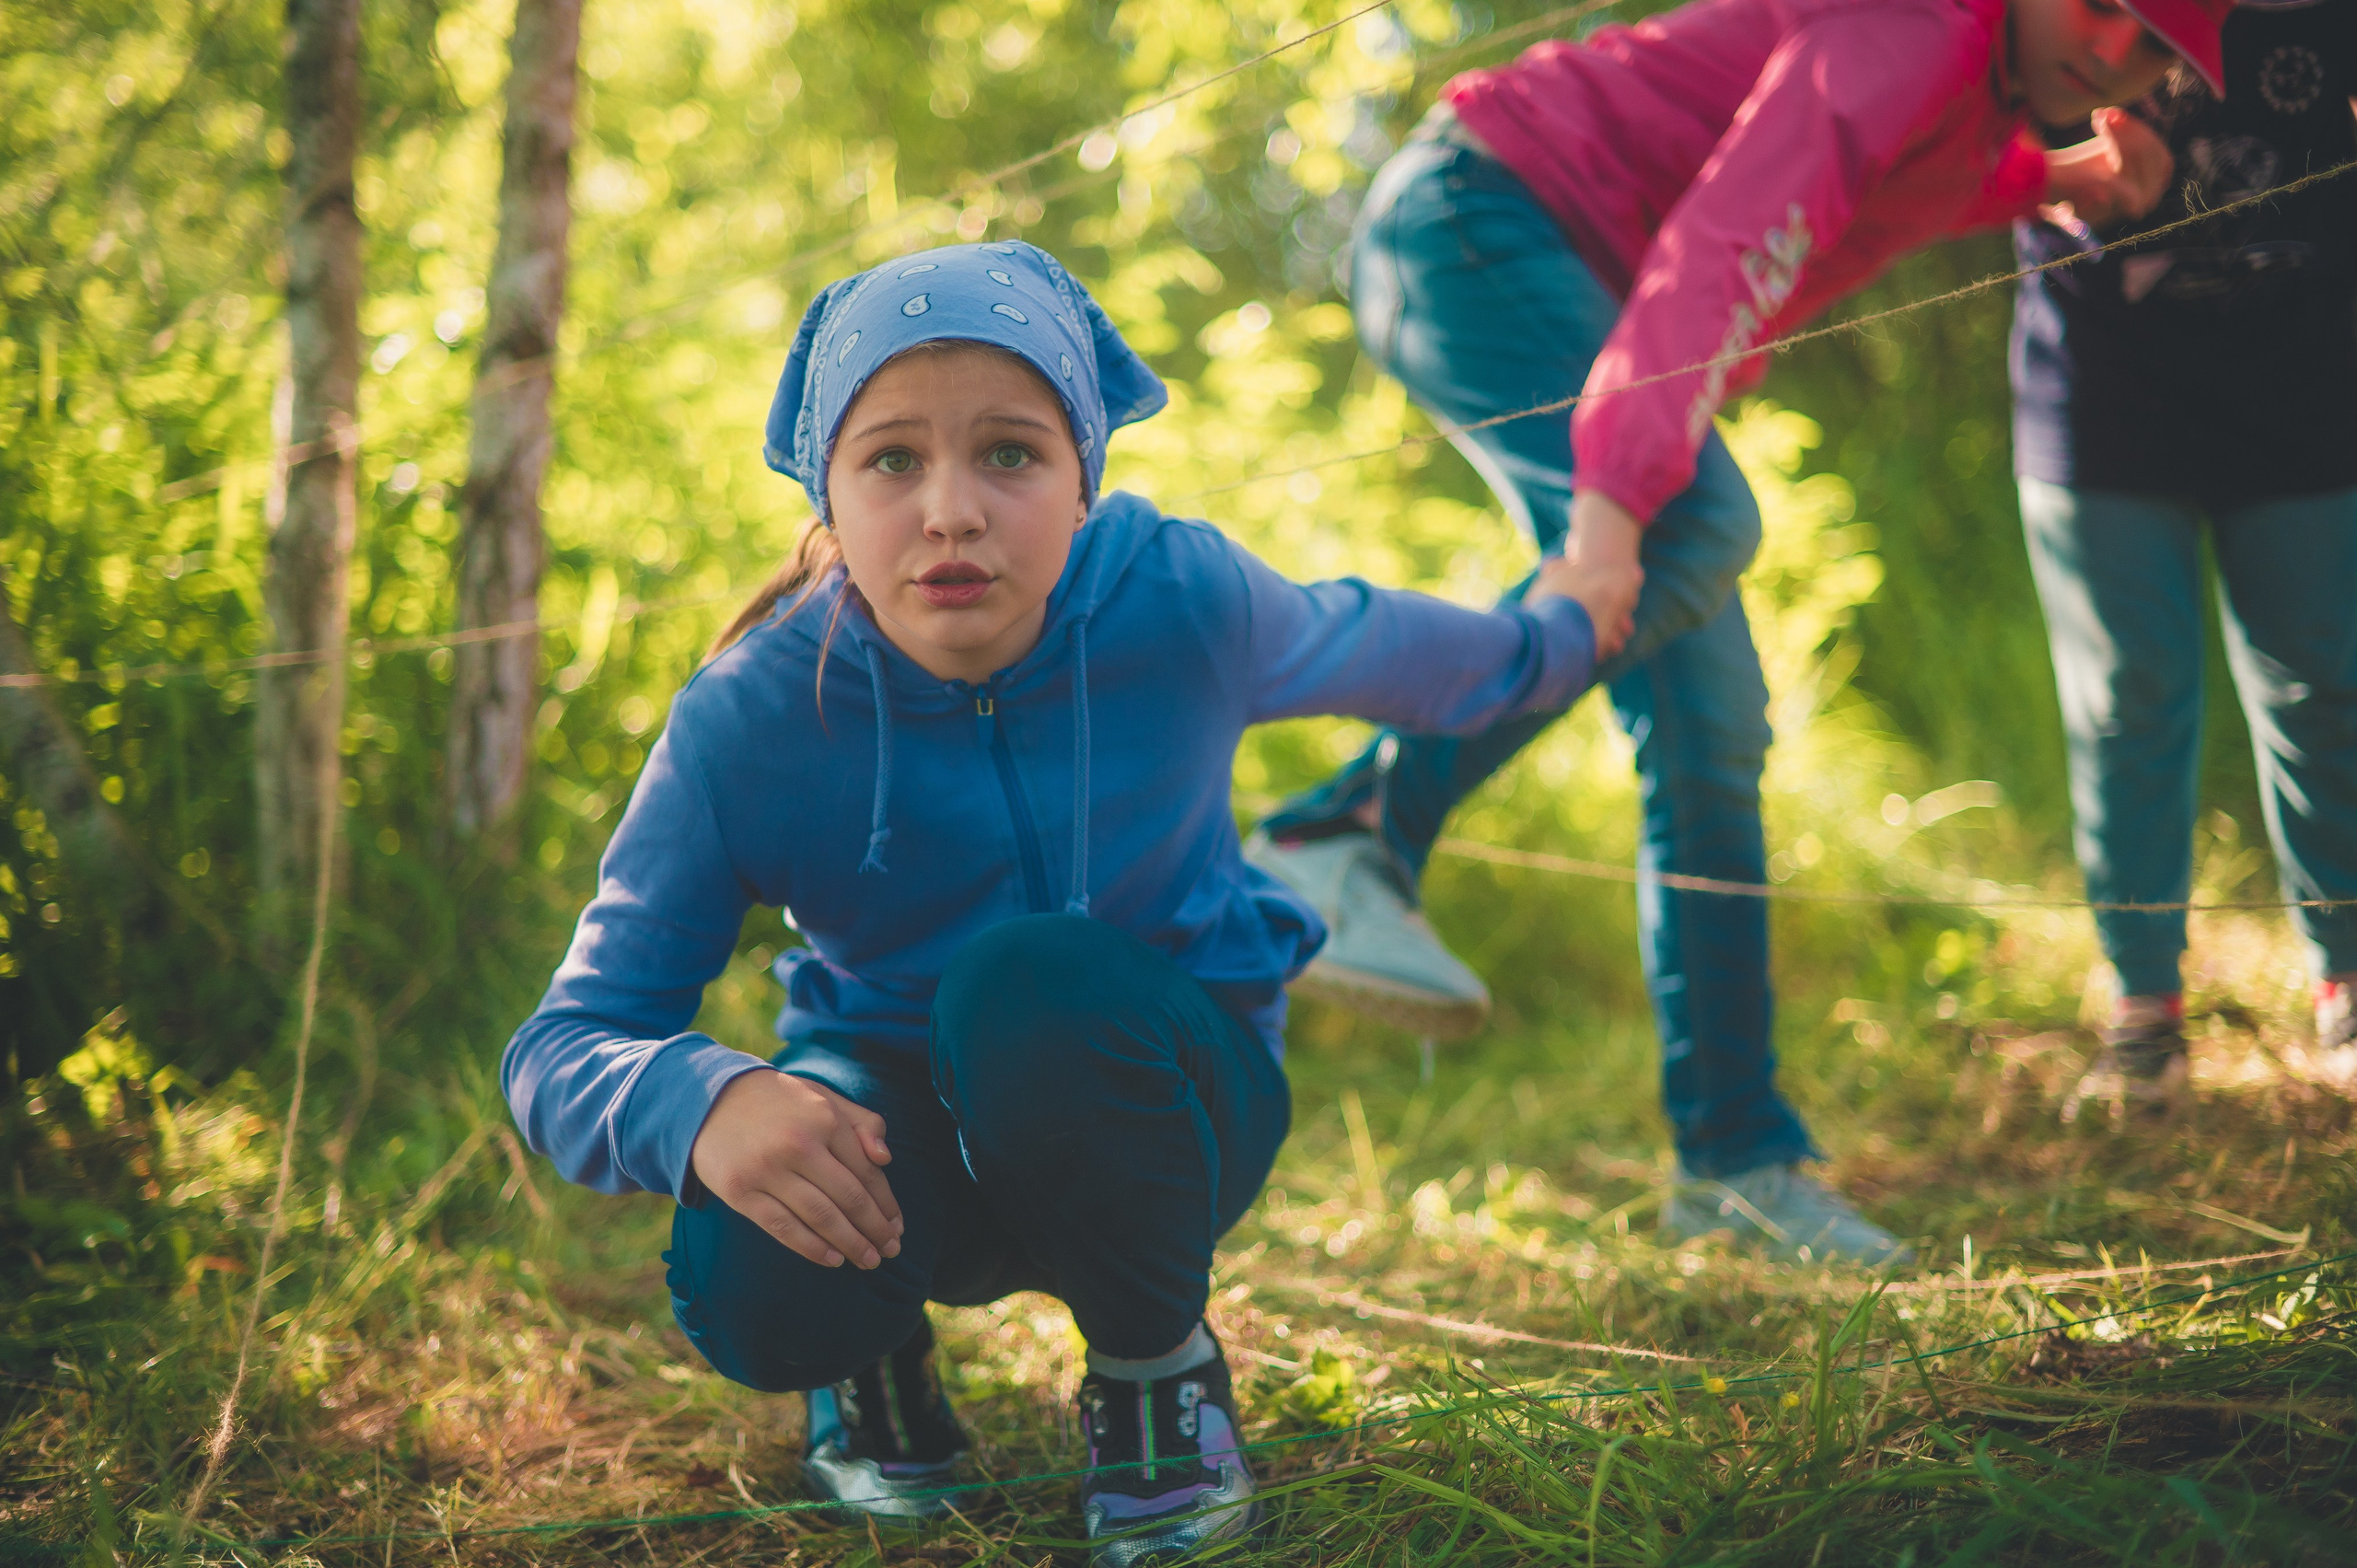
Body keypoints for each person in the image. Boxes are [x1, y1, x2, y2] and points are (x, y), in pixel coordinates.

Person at [501, 241, 1617, 1558]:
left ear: (1085, 474)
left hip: (1169, 1099)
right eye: (894, 460)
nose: (952, 512)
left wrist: (1575, 619)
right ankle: (869, 1362)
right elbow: (561, 1047)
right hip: (900, 1153)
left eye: (1012, 454)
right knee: (751, 1273)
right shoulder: (752, 717)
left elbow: (1417, 658)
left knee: (1026, 978)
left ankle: (1157, 1368)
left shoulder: (1179, 597)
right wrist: (703, 1099)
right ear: (829, 492)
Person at [1245, 0, 2226, 1263]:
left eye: (2148, 48)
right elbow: (1735, 232)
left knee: (1712, 723)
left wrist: (2053, 178)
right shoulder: (1920, 29)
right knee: (1696, 525)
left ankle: (1736, 1163)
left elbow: (1907, 191)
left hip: (1545, 261)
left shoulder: (1973, 98)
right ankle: (1349, 827)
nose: (2109, 53)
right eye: (2100, 7)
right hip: (1481, 217)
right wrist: (1611, 515)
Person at [2010, 0, 2357, 1108]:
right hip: (2098, 371)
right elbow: (1934, 127)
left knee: (2323, 674)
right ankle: (2141, 1015)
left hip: (2307, 367)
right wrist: (2062, 167)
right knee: (2127, 687)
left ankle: (2347, 987)